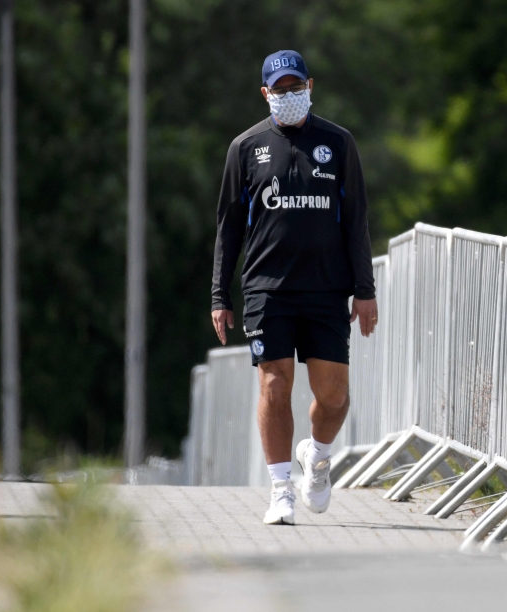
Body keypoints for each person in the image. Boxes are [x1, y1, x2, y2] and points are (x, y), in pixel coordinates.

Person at [210, 50, 378, 525]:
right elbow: (228, 229)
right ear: (265, 94)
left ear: (310, 86)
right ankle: (280, 489)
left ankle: (317, 457)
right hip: (267, 289)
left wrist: (364, 289)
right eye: (279, 90)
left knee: (333, 397)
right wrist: (220, 296)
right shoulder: (245, 148)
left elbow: (356, 221)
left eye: (296, 86)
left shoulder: (338, 143)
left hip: (327, 290)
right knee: (273, 383)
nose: (288, 96)